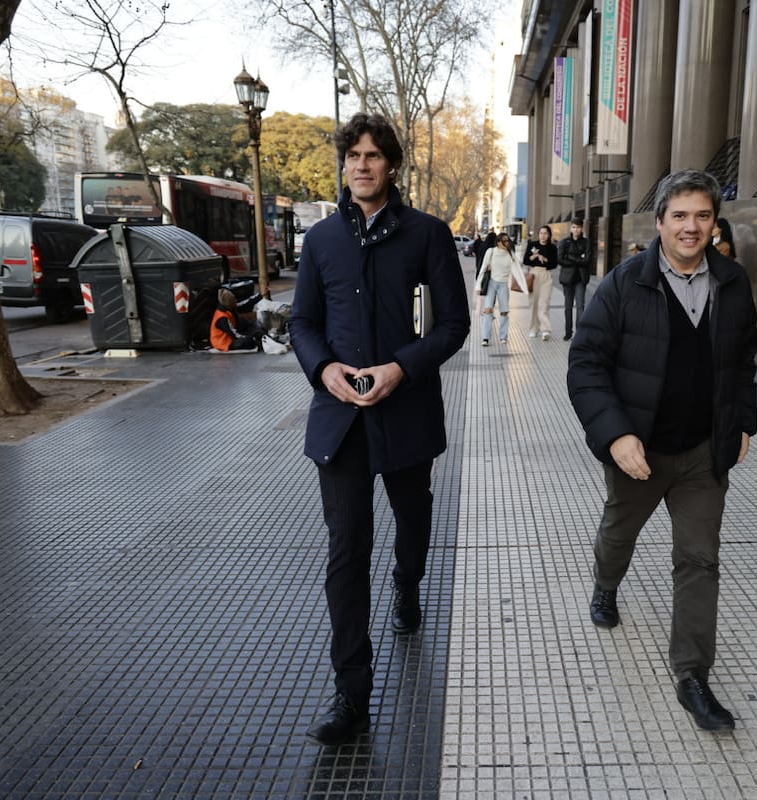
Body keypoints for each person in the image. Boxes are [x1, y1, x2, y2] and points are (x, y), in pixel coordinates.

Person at [289, 112, 470, 746]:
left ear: (391, 164)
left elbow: (453, 325)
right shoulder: (320, 241)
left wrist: (401, 367)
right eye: (353, 155)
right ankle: (351, 694)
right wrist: (324, 369)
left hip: (406, 411)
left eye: (373, 155)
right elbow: (302, 324)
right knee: (345, 554)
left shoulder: (426, 234)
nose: (362, 165)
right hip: (340, 421)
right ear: (345, 163)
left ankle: (408, 581)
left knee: (413, 520)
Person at [567, 169, 757, 732]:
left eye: (702, 215)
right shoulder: (626, 284)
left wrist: (742, 419)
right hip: (641, 451)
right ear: (660, 223)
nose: (691, 226)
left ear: (715, 223)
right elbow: (586, 365)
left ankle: (693, 676)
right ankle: (606, 586)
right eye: (680, 216)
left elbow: (744, 360)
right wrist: (617, 434)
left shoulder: (733, 282)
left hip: (704, 453)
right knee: (619, 531)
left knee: (699, 560)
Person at [474, 231, 525, 346]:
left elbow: (517, 270)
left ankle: (503, 336)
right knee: (488, 310)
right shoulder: (491, 251)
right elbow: (483, 268)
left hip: (503, 285)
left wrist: (523, 287)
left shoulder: (510, 254)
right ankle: (485, 337)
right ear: (498, 242)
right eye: (504, 241)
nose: (507, 243)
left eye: (508, 241)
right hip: (491, 283)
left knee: (504, 312)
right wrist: (478, 285)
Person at [557, 219, 591, 341]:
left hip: (581, 279)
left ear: (582, 228)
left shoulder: (586, 242)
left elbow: (587, 260)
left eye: (578, 227)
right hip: (567, 279)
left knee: (581, 306)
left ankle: (579, 333)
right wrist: (578, 259)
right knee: (568, 307)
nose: (576, 230)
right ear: (570, 228)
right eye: (574, 227)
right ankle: (568, 332)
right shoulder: (564, 242)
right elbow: (560, 260)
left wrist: (571, 257)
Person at [524, 225, 558, 340]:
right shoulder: (532, 245)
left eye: (545, 233)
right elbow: (525, 260)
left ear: (549, 235)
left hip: (546, 275)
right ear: (538, 234)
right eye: (541, 233)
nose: (543, 236)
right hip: (534, 274)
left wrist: (545, 259)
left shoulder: (552, 248)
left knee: (544, 304)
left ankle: (545, 330)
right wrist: (533, 257)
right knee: (533, 303)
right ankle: (534, 328)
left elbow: (554, 264)